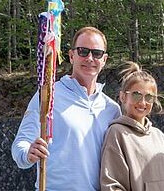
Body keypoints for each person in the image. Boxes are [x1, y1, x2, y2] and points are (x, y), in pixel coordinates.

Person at [11, 26, 121, 191]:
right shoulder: (48, 96)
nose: (90, 58)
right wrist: (28, 153)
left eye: (96, 53)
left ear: (104, 59)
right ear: (71, 56)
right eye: (83, 51)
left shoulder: (112, 109)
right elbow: (20, 145)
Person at [100, 62, 164, 191]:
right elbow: (112, 185)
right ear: (123, 96)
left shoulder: (159, 136)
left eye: (149, 97)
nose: (143, 102)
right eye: (136, 95)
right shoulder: (117, 133)